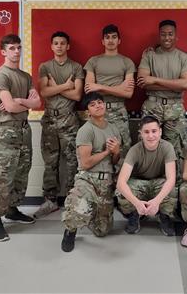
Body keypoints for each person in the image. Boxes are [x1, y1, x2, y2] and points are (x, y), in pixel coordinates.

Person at [0, 34, 41, 242]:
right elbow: (8, 108)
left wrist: (20, 100)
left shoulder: (25, 76)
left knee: (21, 173)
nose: (16, 51)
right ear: (3, 51)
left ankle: (12, 209)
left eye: (18, 48)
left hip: (24, 130)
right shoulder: (1, 76)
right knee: (2, 178)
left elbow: (37, 104)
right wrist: (25, 102)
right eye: (12, 48)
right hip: (6, 132)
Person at [61, 92, 121, 252]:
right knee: (77, 209)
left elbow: (115, 161)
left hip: (106, 181)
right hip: (87, 179)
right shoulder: (86, 130)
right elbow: (86, 163)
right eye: (92, 104)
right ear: (88, 111)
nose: (98, 106)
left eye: (100, 102)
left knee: (102, 231)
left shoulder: (114, 128)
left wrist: (116, 152)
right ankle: (70, 231)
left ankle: (92, 211)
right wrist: (107, 152)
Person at [34, 31, 84, 218]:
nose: (59, 46)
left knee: (72, 161)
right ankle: (50, 200)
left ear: (68, 46)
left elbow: (77, 95)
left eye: (63, 43)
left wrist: (55, 87)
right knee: (50, 162)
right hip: (49, 120)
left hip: (69, 119)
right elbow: (44, 92)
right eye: (56, 43)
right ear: (51, 46)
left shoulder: (76, 67)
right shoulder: (45, 67)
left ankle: (72, 199)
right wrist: (65, 86)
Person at [137, 19, 187, 172]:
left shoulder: (183, 58)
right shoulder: (149, 56)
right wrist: (173, 84)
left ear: (176, 36)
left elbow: (185, 84)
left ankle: (173, 188)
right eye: (163, 34)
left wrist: (155, 79)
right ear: (159, 36)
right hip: (152, 106)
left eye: (170, 34)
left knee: (174, 151)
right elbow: (142, 82)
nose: (167, 38)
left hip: (175, 108)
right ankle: (150, 184)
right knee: (148, 147)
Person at [116, 115, 177, 236]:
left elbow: (171, 179)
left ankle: (164, 215)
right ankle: (134, 214)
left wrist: (156, 202)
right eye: (146, 132)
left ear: (160, 132)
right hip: (139, 182)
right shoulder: (134, 150)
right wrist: (137, 203)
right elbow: (120, 183)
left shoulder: (167, 147)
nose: (150, 136)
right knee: (120, 192)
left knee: (172, 189)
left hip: (158, 182)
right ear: (141, 134)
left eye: (154, 131)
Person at [84, 24, 135, 165]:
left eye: (114, 37)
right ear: (102, 41)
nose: (110, 40)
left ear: (119, 40)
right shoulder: (93, 61)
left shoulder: (127, 62)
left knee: (122, 148)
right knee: (99, 146)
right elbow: (89, 89)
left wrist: (99, 86)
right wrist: (119, 88)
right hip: (99, 110)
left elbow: (129, 93)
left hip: (119, 111)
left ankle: (120, 184)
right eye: (107, 38)